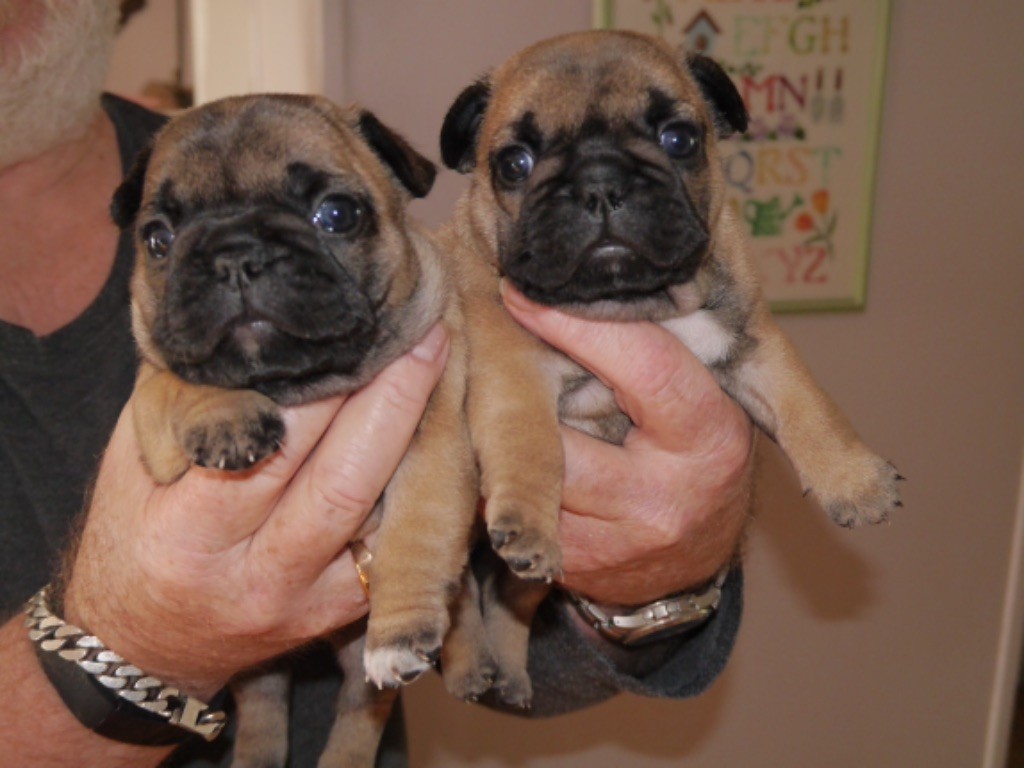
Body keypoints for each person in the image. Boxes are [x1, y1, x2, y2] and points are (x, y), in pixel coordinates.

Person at [0, 1, 753, 765]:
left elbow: (496, 659)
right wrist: (127, 649)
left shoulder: (207, 155)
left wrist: (649, 584)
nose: (239, 268)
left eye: (333, 215)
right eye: (166, 239)